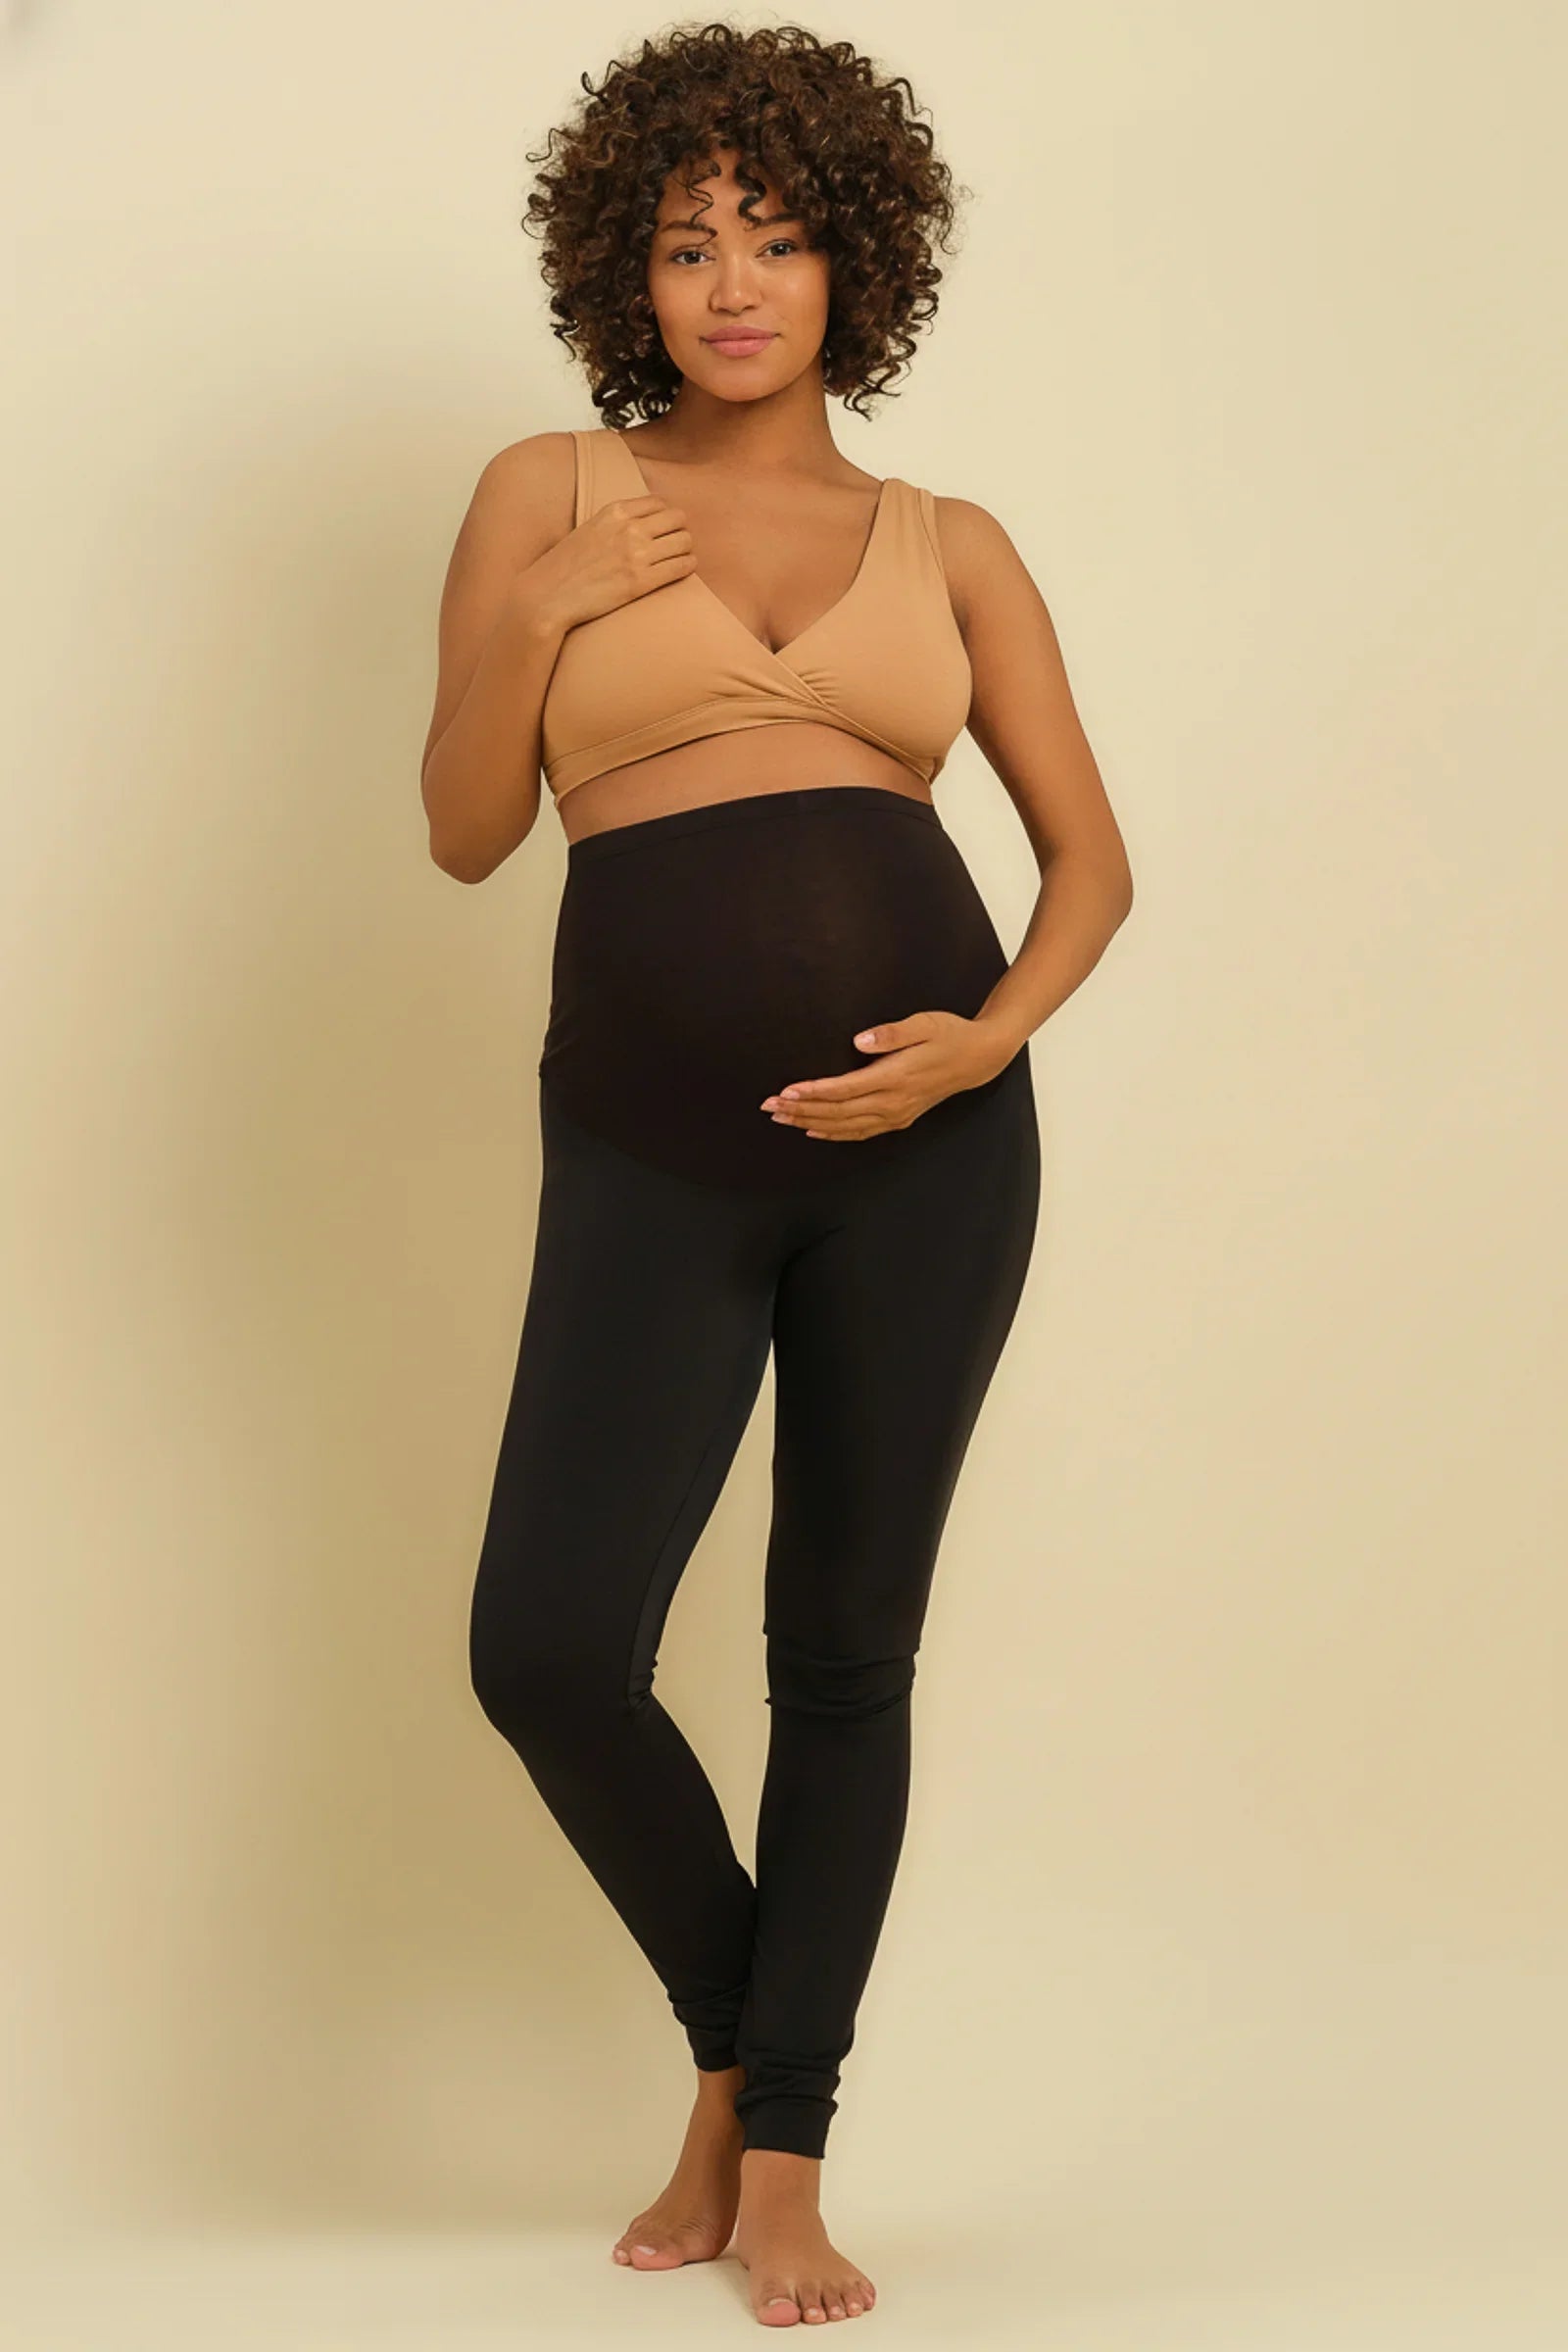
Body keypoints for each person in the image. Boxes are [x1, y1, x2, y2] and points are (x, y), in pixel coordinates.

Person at [419, 21, 1133, 2329]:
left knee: (840, 1653)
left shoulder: (950, 544)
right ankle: (738, 2060)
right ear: (623, 272)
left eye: (780, 236)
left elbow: (1088, 862)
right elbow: (460, 828)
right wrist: (542, 614)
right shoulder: (544, 491)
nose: (734, 284)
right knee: (547, 1648)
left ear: (856, 264)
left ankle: (785, 2155)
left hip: (935, 1161)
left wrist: (986, 1040)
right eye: (687, 242)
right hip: (647, 1144)